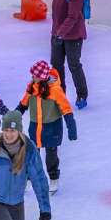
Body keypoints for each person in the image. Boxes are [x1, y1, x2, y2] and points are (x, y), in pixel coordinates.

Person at [18, 59, 78, 190]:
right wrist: (15, 116)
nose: (32, 77)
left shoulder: (55, 90)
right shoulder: (32, 87)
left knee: (51, 156)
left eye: (35, 75)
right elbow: (23, 104)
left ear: (42, 77)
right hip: (35, 128)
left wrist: (71, 127)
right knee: (32, 155)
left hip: (52, 128)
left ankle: (53, 178)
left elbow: (66, 109)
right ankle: (29, 178)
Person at [50, 0, 88, 107]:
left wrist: (61, 33)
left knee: (74, 65)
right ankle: (59, 95)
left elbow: (73, 16)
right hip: (57, 34)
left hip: (73, 36)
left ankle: (82, 96)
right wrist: (56, 33)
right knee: (56, 65)